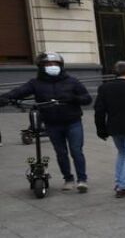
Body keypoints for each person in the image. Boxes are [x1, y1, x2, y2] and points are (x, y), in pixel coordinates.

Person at [1, 52, 92, 192]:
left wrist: (75, 98)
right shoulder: (35, 83)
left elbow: (87, 98)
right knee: (61, 152)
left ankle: (82, 180)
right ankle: (68, 179)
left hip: (72, 122)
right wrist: (5, 98)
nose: (52, 66)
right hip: (52, 123)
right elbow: (19, 91)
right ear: (42, 67)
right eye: (49, 64)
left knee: (76, 151)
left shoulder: (72, 81)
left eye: (55, 64)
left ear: (61, 66)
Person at [94, 61, 125, 197]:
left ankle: (119, 183)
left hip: (114, 127)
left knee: (122, 153)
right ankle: (124, 187)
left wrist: (101, 129)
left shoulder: (105, 88)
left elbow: (99, 110)